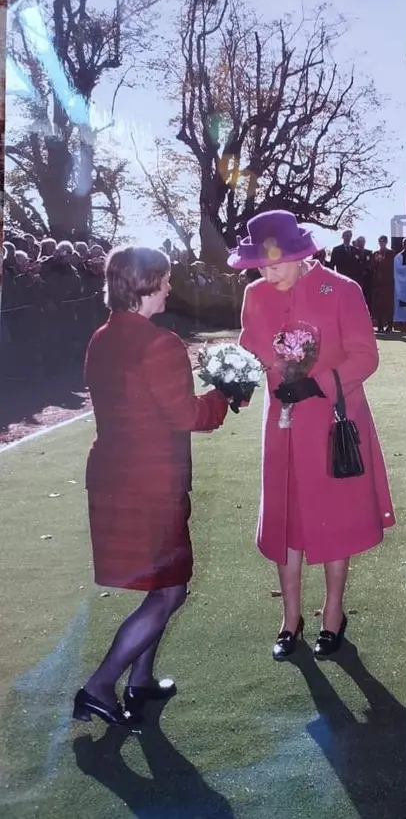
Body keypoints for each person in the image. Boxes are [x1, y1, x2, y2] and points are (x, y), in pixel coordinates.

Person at [74, 245, 229, 728]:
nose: (168, 287)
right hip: (150, 482)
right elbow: (186, 415)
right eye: (162, 279)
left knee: (164, 584)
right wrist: (225, 392)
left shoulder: (101, 337)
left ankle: (140, 681)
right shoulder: (159, 343)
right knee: (170, 590)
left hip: (113, 475)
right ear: (144, 284)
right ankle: (100, 686)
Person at [230, 210, 395, 661]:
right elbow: (250, 348)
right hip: (280, 425)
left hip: (333, 420)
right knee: (287, 518)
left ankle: (333, 615)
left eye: (275, 263)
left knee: (334, 516)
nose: (267, 273)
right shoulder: (254, 295)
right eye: (260, 265)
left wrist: (318, 383)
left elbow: (365, 357)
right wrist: (235, 382)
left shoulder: (342, 290)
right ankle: (290, 619)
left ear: (301, 255)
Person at [371, 235, 395, 333]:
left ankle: (389, 325)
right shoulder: (375, 253)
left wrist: (383, 260)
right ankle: (380, 325)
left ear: (386, 242)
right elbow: (372, 266)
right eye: (380, 241)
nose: (382, 243)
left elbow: (391, 265)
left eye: (384, 241)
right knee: (379, 304)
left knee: (388, 304)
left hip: (388, 282)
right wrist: (376, 261)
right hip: (378, 282)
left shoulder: (391, 253)